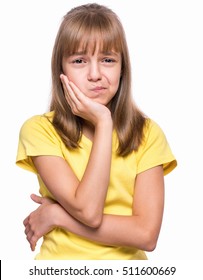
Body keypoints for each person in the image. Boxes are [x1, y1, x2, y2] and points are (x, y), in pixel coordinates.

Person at [16, 3, 177, 260]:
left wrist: (59, 216)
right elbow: (87, 211)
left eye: (108, 60)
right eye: (79, 60)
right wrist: (104, 122)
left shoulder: (147, 133)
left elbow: (146, 235)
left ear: (123, 67)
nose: (95, 74)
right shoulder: (40, 130)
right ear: (62, 69)